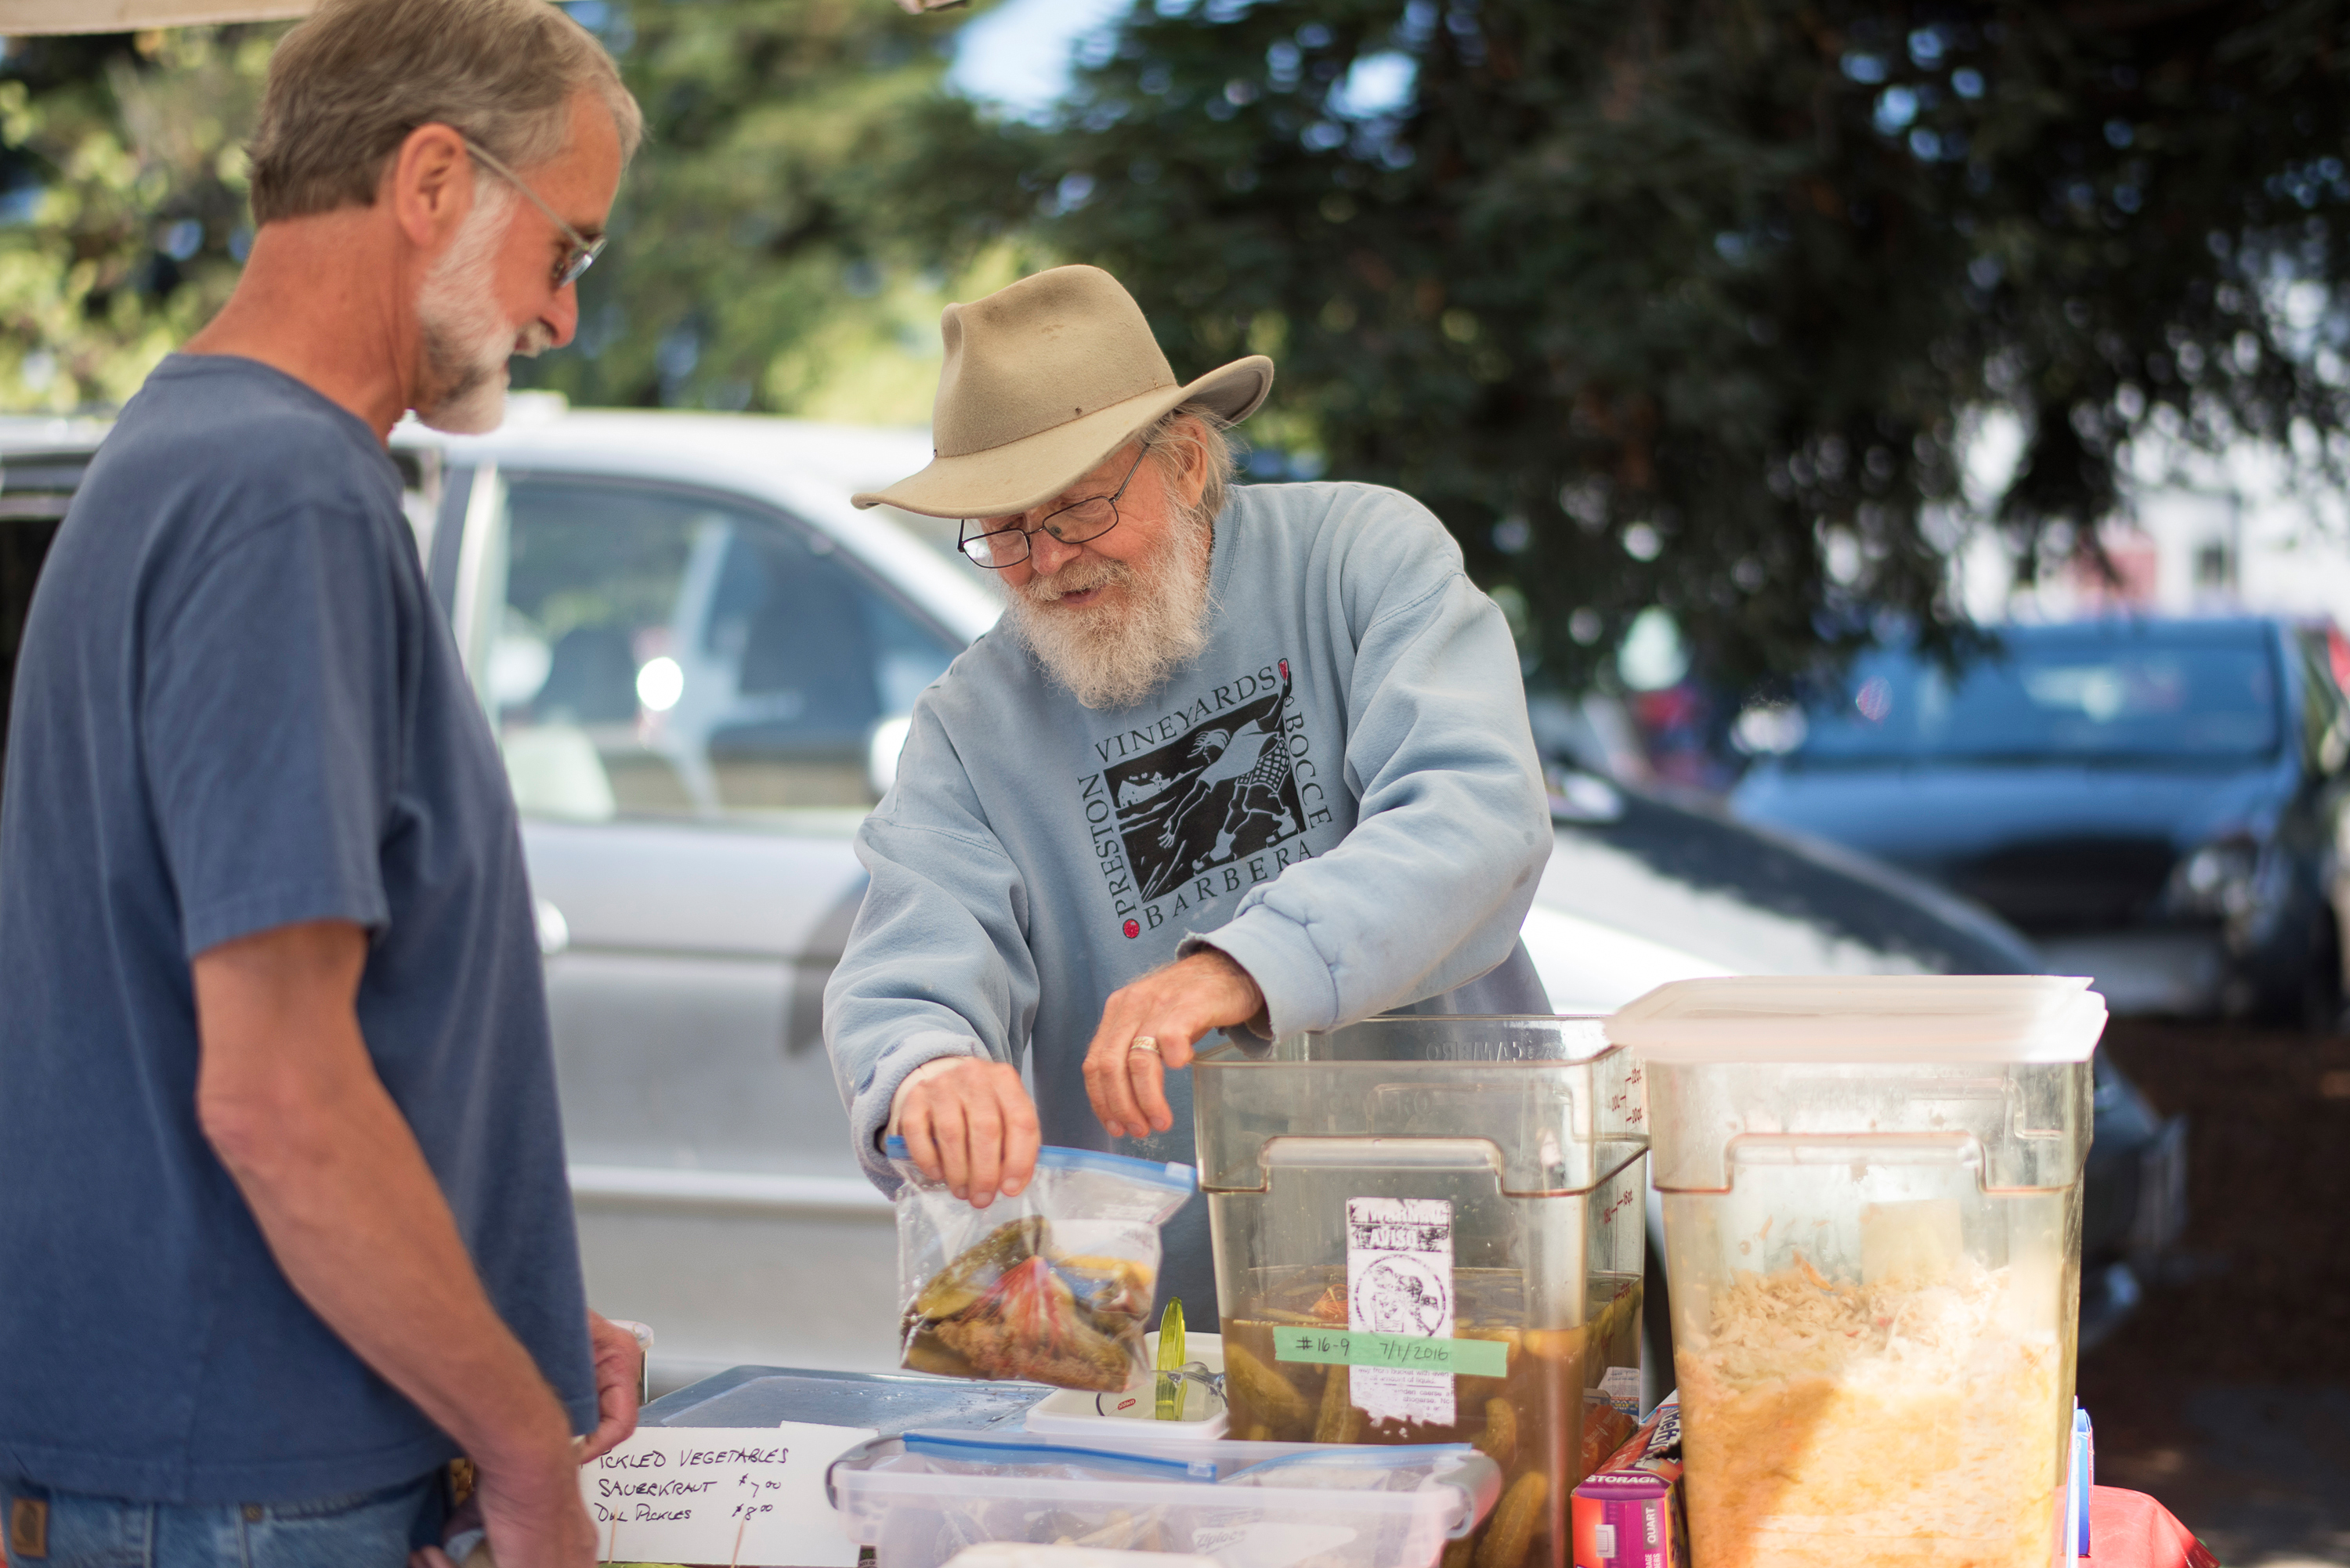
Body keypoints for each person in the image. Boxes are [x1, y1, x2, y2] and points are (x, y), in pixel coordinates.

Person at [0, 3, 644, 1565]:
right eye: (566, 250)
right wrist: (521, 1448)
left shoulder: (194, 454)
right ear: (433, 180)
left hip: (226, 1451)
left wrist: (510, 1310)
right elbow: (277, 1097)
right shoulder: (283, 496)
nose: (560, 316)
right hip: (250, 1481)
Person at [825, 265, 1553, 1323]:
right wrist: (929, 1071)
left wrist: (1238, 965)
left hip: (1461, 1244)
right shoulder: (970, 727)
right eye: (1007, 531)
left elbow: (1477, 813)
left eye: (1077, 507)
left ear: (1188, 458)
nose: (1048, 561)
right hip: (1169, 1325)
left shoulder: (1360, 557)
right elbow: (912, 953)